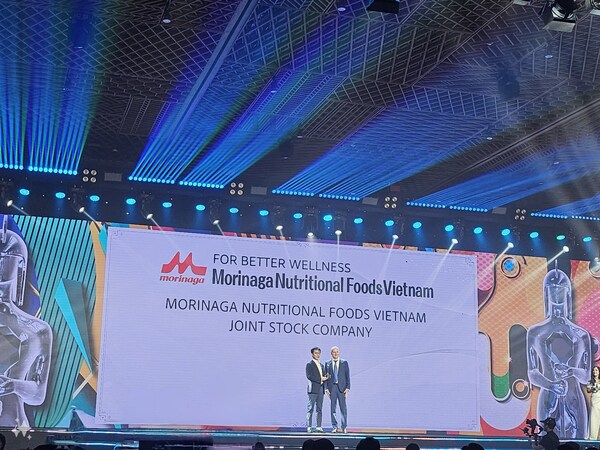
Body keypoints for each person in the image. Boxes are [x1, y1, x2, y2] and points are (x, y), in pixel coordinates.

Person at [526, 266, 591, 438]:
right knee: (547, 441)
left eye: (561, 289)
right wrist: (551, 385)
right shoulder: (535, 332)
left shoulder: (581, 334)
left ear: (567, 292)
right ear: (546, 292)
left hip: (574, 399)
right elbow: (532, 372)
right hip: (548, 398)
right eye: (553, 289)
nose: (557, 293)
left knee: (578, 443)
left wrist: (572, 371)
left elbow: (586, 376)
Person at [325, 346, 350, 433]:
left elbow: (347, 376)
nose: (335, 353)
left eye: (337, 352)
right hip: (332, 388)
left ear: (339, 352)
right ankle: (334, 426)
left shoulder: (344, 362)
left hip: (342, 388)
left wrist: (348, 388)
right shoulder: (327, 363)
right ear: (331, 353)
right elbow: (326, 377)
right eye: (334, 352)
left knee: (343, 408)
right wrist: (326, 388)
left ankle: (344, 426)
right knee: (333, 408)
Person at [306, 347, 328, 432]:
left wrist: (327, 377)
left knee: (319, 409)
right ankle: (309, 426)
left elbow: (324, 376)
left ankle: (319, 426)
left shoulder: (322, 365)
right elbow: (309, 376)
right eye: (316, 353)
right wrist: (320, 379)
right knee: (310, 408)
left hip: (321, 389)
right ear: (312, 354)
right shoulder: (309, 364)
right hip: (313, 389)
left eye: (318, 353)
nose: (317, 355)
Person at [588, 366, 600, 440]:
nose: (595, 372)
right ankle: (593, 436)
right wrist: (594, 387)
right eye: (593, 370)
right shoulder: (590, 381)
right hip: (595, 400)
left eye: (596, 370)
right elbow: (588, 390)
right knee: (594, 417)